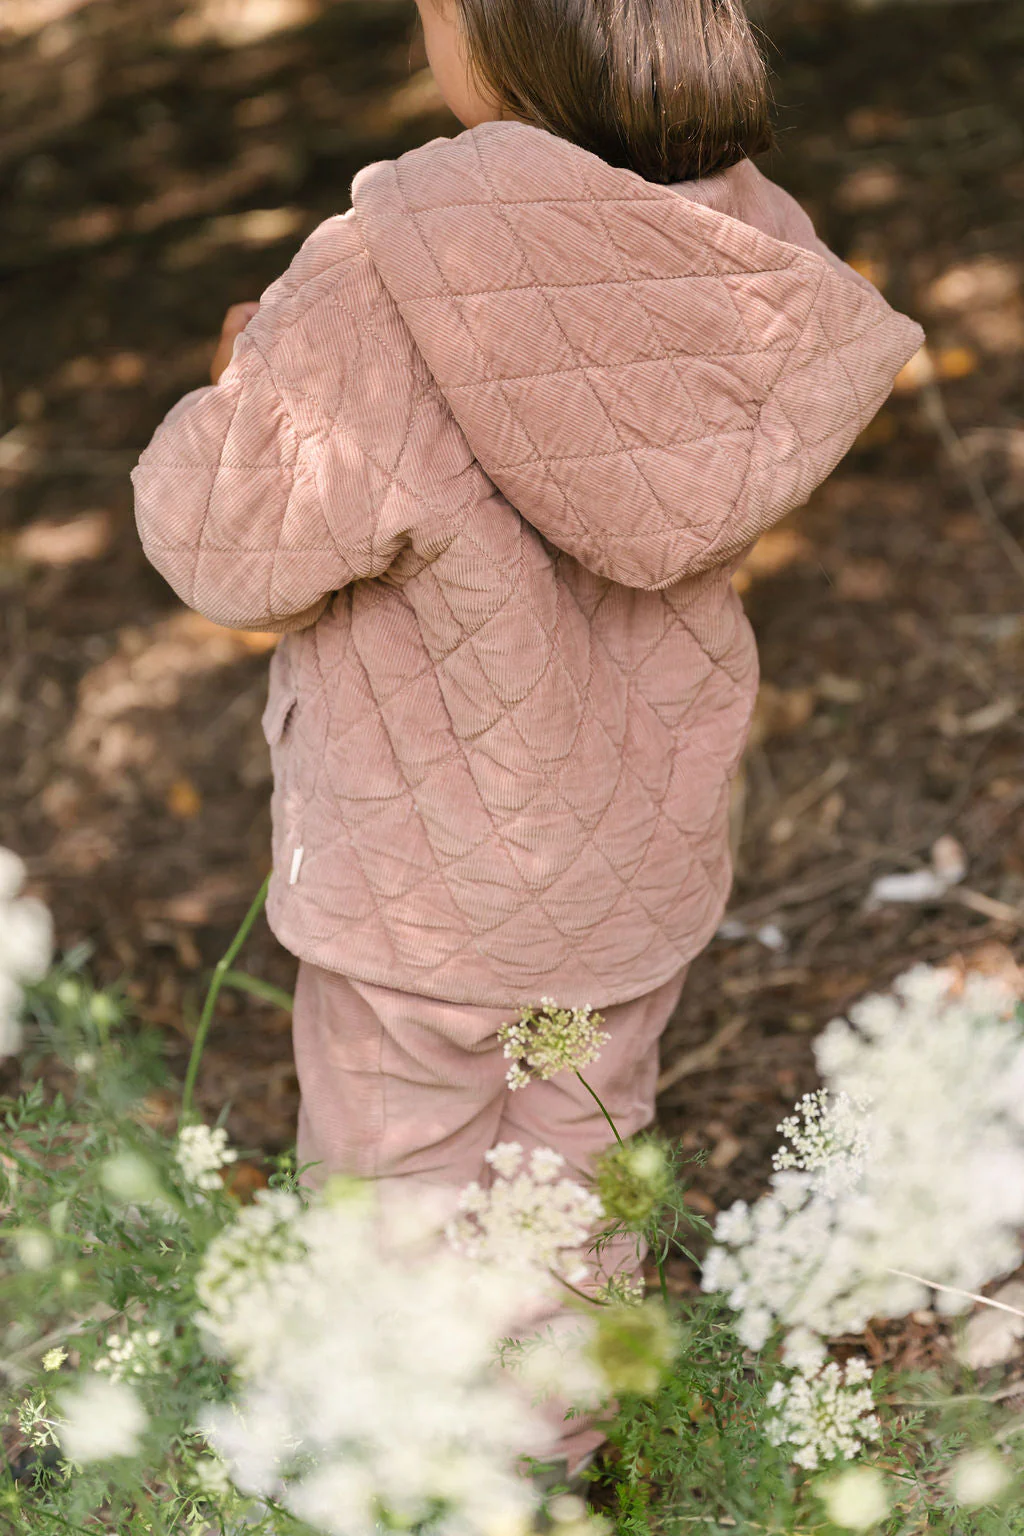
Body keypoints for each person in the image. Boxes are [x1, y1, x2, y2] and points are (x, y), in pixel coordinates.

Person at [134, 0, 922, 1470]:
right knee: (576, 1171)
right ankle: (558, 1466)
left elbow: (223, 547)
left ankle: (412, 1479)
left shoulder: (381, 265)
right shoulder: (743, 243)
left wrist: (244, 380)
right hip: (630, 855)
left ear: (499, 35)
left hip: (421, 879)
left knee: (396, 1191)